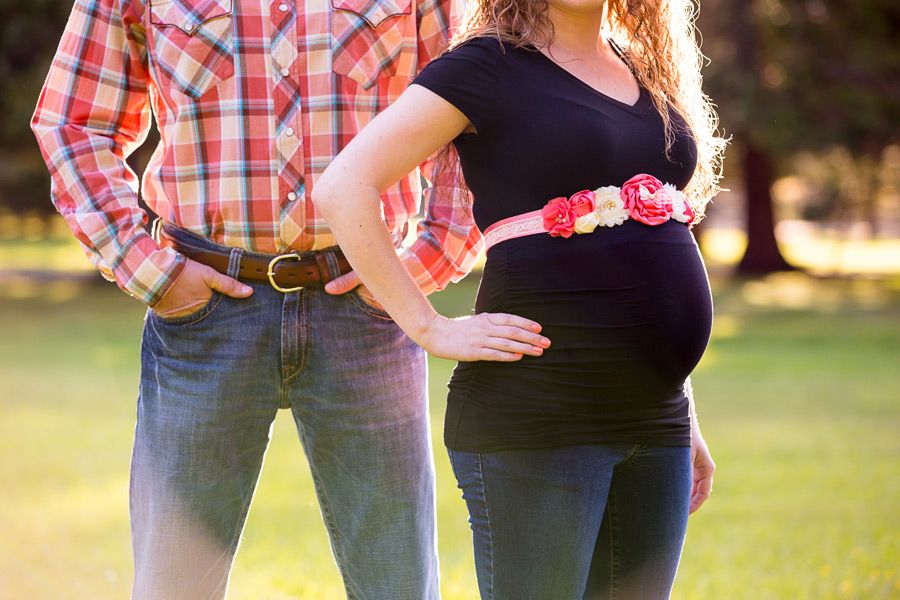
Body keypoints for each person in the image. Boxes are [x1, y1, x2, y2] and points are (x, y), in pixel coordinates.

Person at [31, 0, 549, 598]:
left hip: (367, 312)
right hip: (203, 315)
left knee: (398, 583)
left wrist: (423, 261)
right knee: (173, 586)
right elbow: (72, 124)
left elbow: (473, 116)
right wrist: (154, 271)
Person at [312, 0, 727, 597]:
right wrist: (428, 326)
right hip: (540, 412)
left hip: (657, 419)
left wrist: (683, 409)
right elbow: (345, 186)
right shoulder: (487, 66)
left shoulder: (644, 67)